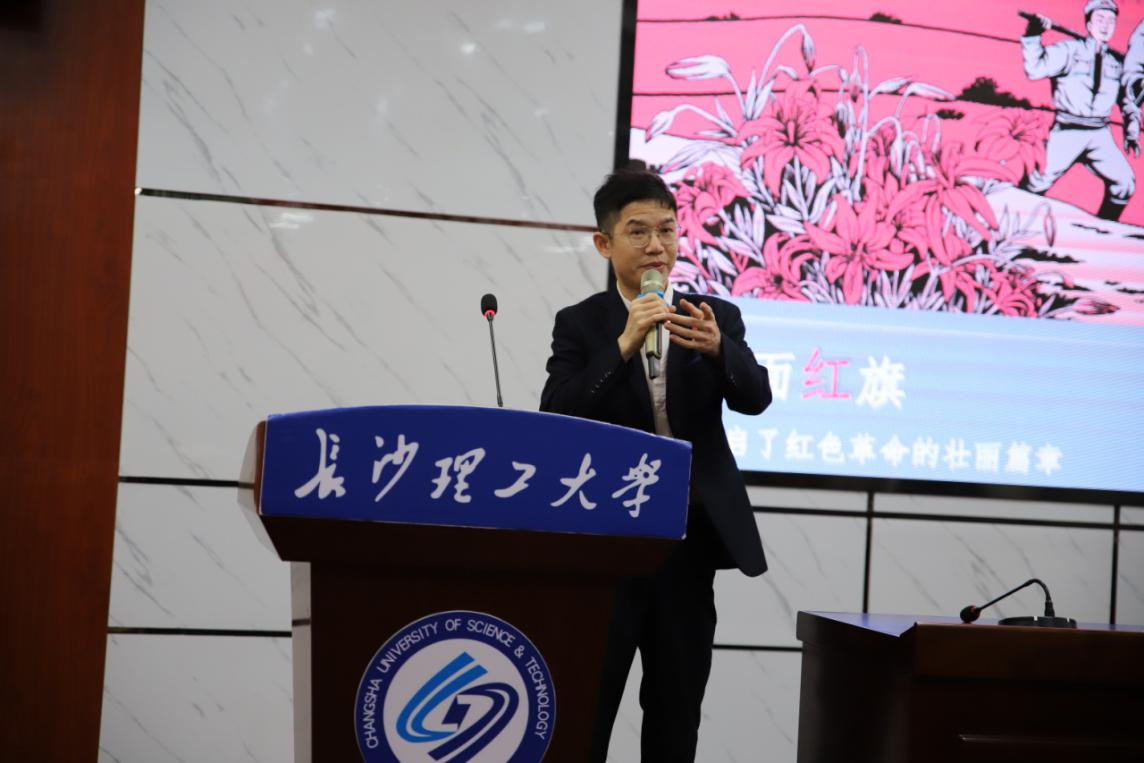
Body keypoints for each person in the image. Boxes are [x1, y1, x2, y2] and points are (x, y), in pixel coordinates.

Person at [540, 168, 771, 761]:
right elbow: (557, 413)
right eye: (638, 232)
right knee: (587, 712)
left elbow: (756, 398)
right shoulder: (581, 323)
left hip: (688, 543)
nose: (656, 247)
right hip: (606, 544)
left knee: (675, 714)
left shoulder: (712, 315)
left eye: (667, 231)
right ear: (604, 243)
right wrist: (623, 344)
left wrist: (720, 350)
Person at [1022, 0, 1140, 220]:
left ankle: (1106, 228)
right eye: (1100, 19)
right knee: (1038, 181)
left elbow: (1128, 100)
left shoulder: (1118, 63)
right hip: (1068, 130)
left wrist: (1132, 129)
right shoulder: (1068, 51)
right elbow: (1034, 69)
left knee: (1124, 184)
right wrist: (1033, 35)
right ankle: (1016, 223)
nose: (1105, 25)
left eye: (1111, 21)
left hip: (1100, 134)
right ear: (1088, 23)